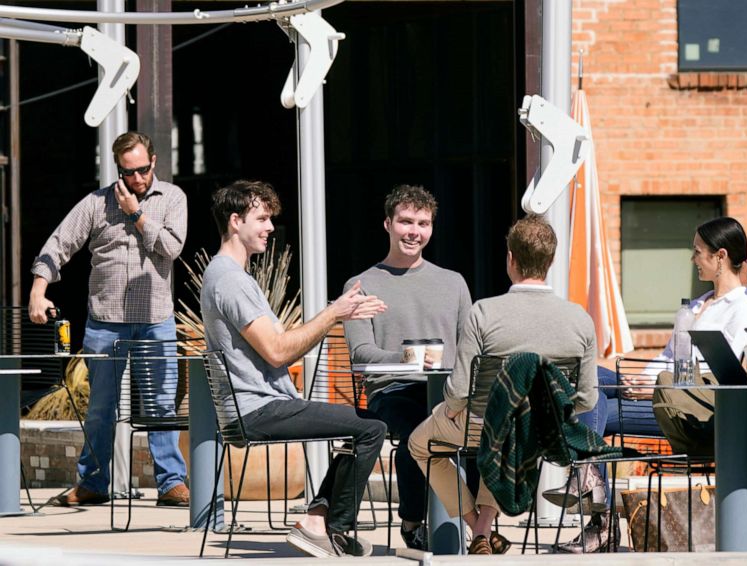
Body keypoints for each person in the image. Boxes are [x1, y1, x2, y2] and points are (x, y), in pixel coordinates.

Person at [550, 216, 747, 553]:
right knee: (587, 375)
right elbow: (668, 359)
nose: (693, 259)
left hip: (693, 411)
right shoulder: (694, 307)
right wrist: (643, 379)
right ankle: (591, 489)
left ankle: (597, 514)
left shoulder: (745, 310)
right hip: (663, 394)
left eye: (698, 252)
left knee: (591, 415)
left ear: (720, 256)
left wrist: (651, 384)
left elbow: (722, 373)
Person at [200, 180, 387, 558]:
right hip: (257, 409)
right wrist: (334, 313)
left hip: (258, 405)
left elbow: (280, 344)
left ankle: (318, 517)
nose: (270, 227)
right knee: (372, 428)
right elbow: (277, 351)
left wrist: (335, 315)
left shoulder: (232, 277)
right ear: (235, 222)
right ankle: (327, 527)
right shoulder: (230, 280)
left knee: (365, 426)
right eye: (262, 218)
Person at [408, 215, 597, 554]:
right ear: (551, 262)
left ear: (510, 258)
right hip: (537, 433)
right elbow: (586, 400)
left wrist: (449, 410)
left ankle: (473, 522)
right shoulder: (580, 320)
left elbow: (460, 390)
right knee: (508, 437)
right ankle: (483, 530)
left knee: (419, 445)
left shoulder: (484, 312)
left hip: (479, 425)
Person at [30, 131, 190, 507]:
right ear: (118, 168)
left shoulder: (173, 199)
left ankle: (170, 484)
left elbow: (171, 248)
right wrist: (38, 289)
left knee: (160, 405)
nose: (136, 179)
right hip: (106, 322)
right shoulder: (96, 204)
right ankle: (94, 483)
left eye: (142, 170)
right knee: (101, 406)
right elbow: (59, 244)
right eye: (127, 172)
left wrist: (135, 213)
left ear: (153, 162)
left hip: (155, 320)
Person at [343, 184, 472, 549]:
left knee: (482, 430)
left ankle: (477, 525)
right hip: (392, 391)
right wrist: (405, 360)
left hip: (450, 393)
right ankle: (414, 522)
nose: (414, 231)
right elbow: (361, 354)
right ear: (387, 224)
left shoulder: (453, 283)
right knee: (421, 433)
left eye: (423, 223)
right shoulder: (360, 285)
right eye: (405, 221)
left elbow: (468, 347)